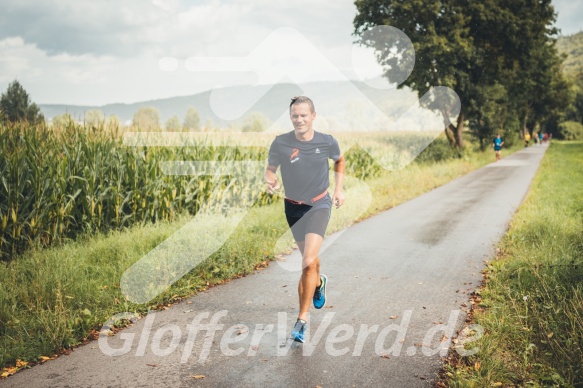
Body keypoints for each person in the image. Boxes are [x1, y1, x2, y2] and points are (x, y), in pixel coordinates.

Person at [264, 96, 345, 343]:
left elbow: (339, 160)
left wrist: (339, 189)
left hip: (319, 204)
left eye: (303, 115)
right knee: (308, 263)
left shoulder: (327, 141)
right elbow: (271, 167)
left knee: (308, 261)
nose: (299, 119)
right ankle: (319, 281)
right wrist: (270, 179)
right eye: (295, 115)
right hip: (293, 208)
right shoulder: (281, 142)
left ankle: (302, 320)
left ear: (313, 116)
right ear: (291, 117)